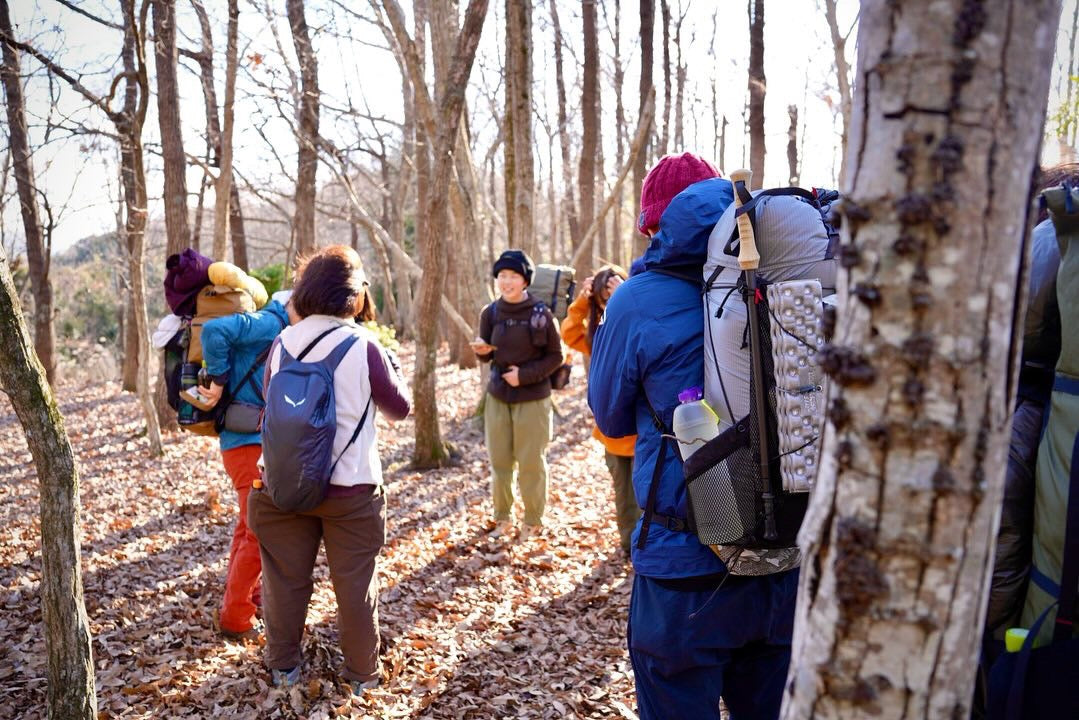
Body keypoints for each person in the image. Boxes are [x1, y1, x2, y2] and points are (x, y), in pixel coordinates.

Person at [588, 153, 798, 719]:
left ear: (657, 227)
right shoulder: (782, 274)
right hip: (783, 554)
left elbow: (607, 418)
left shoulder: (637, 299)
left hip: (683, 566)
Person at [247, 245, 411, 694]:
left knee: (284, 582)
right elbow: (399, 407)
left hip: (281, 487)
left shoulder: (282, 343)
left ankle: (284, 670)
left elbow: (270, 408)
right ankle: (361, 678)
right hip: (351, 490)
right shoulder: (364, 345)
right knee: (355, 587)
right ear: (353, 296)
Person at [198, 289, 291, 639]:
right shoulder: (270, 323)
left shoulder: (276, 326)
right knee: (259, 529)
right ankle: (236, 619)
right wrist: (218, 379)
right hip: (245, 444)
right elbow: (213, 332)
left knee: (248, 526)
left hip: (247, 442)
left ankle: (247, 601)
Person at [471, 249, 564, 541]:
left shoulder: (541, 314)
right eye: (501, 276)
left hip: (533, 398)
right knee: (499, 461)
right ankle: (502, 518)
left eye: (512, 276)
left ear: (525, 281)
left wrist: (524, 376)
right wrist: (482, 353)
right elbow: (487, 353)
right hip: (498, 396)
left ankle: (533, 520)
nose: (506, 281)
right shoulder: (491, 312)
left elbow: (556, 356)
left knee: (531, 462)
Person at [562, 265, 640, 555]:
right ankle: (628, 544)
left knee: (647, 490)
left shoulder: (635, 317)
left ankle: (647, 544)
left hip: (642, 425)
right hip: (612, 430)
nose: (610, 303)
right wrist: (584, 299)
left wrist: (626, 291)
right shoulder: (597, 333)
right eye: (604, 297)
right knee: (624, 494)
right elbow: (569, 333)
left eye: (613, 293)